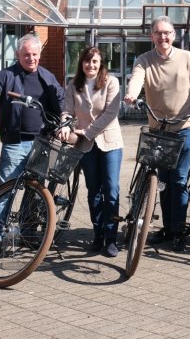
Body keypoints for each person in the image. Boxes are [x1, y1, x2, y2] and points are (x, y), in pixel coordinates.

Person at [124, 15, 190, 252]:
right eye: (158, 33)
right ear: (152, 36)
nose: (163, 37)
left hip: (183, 129)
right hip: (158, 131)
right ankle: (168, 228)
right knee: (162, 182)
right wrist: (131, 94)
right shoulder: (144, 59)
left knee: (178, 181)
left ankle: (178, 231)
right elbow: (137, 78)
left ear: (174, 35)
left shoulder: (187, 58)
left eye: (167, 33)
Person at [0, 34, 65, 246]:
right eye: (26, 55)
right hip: (16, 143)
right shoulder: (6, 76)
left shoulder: (47, 77)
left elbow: (62, 102)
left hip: (42, 142)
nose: (31, 58)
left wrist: (65, 120)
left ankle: (28, 232)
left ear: (40, 54)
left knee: (36, 192)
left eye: (35, 54)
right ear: (18, 55)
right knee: (6, 190)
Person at [58, 47, 123, 258]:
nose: (91, 65)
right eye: (87, 62)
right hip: (85, 146)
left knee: (111, 189)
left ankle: (112, 238)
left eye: (95, 62)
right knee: (94, 191)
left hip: (110, 143)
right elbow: (67, 111)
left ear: (101, 64)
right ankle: (98, 234)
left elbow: (110, 114)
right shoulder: (73, 85)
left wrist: (86, 131)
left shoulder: (111, 82)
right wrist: (65, 125)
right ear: (81, 64)